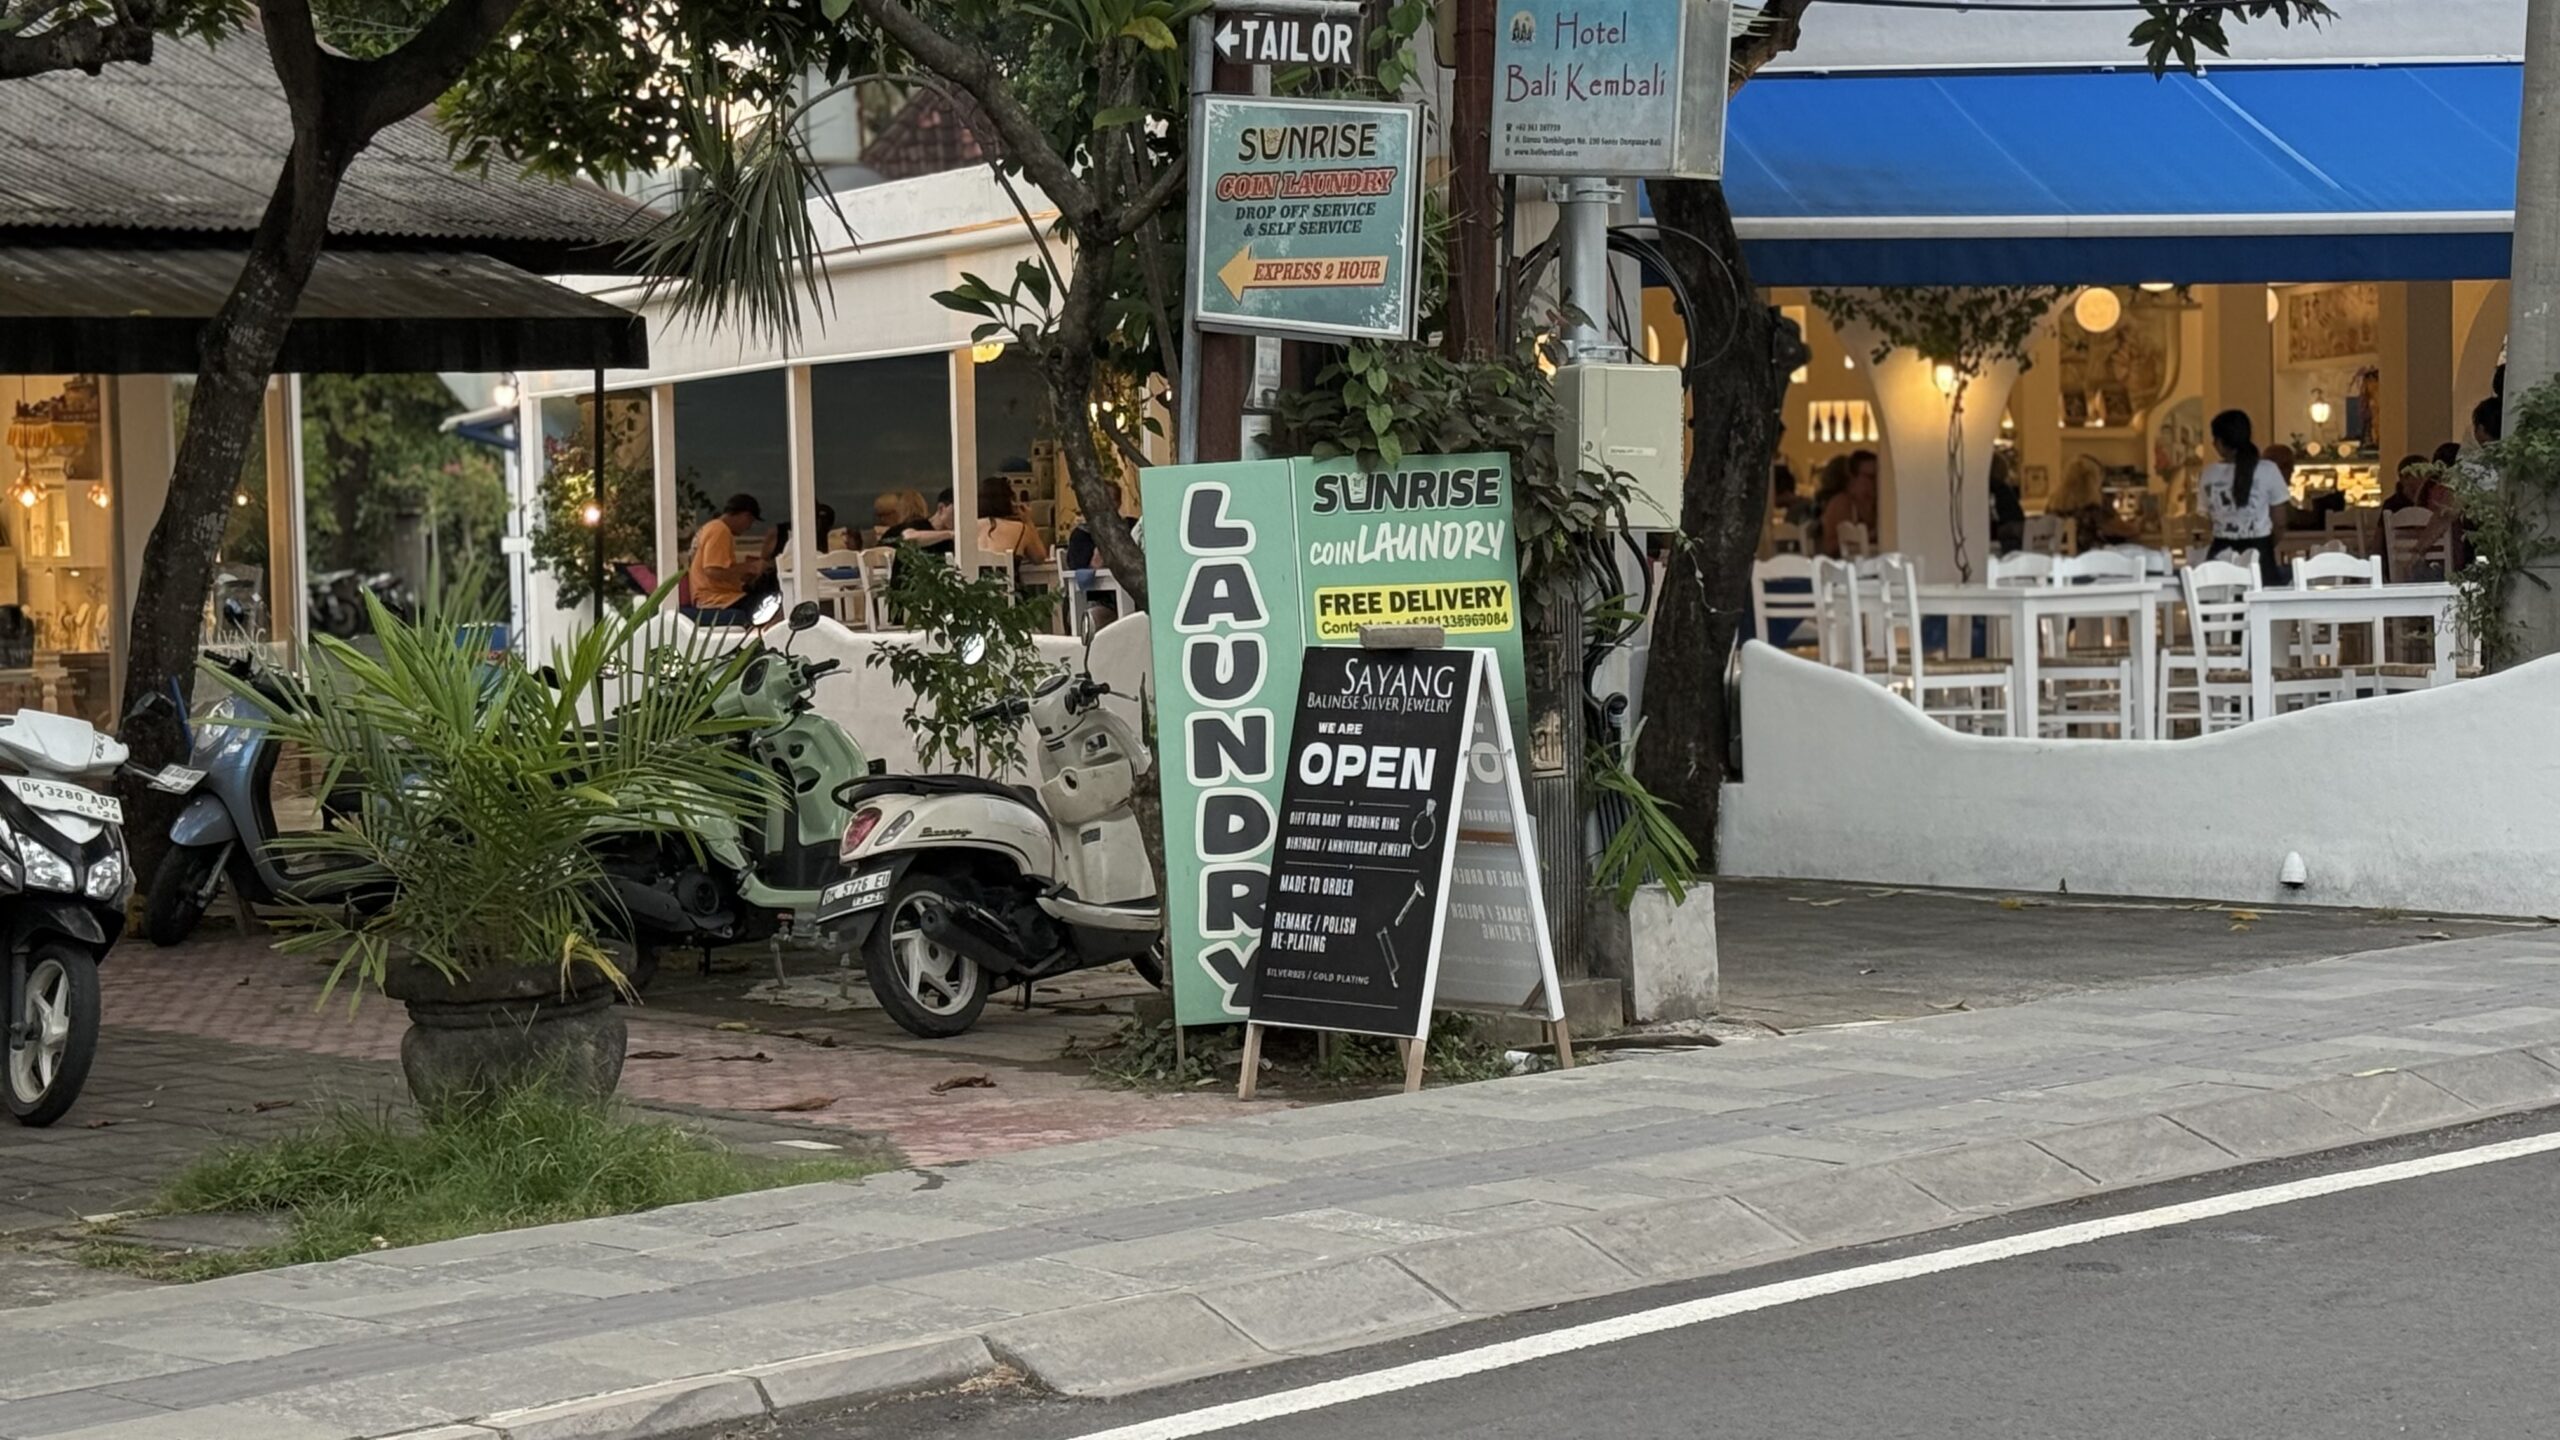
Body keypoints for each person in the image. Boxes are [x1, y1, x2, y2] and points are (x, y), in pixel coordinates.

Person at [2202, 410, 2285, 579]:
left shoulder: (2209, 474)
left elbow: (2208, 519)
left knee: (2219, 595)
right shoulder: (2268, 470)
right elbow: (2280, 522)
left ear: (2219, 442)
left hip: (2221, 552)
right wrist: (2267, 545)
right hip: (2260, 553)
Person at [684, 493, 765, 625]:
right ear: (746, 515)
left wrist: (743, 575)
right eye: (750, 522)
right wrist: (750, 567)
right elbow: (712, 570)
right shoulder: (720, 530)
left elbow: (721, 570)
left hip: (711, 596)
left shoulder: (710, 528)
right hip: (717, 599)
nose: (749, 528)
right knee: (769, 608)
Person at [1817, 450, 1879, 558]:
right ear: (1852, 477)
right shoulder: (1841, 504)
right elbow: (1830, 546)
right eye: (1870, 477)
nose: (1876, 482)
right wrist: (1871, 535)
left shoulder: (1880, 504)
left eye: (1878, 477)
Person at [977, 474, 1051, 563]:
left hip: (972, 572)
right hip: (1008, 572)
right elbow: (1039, 557)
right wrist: (1028, 520)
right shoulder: (1020, 529)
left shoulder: (969, 527)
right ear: (1008, 501)